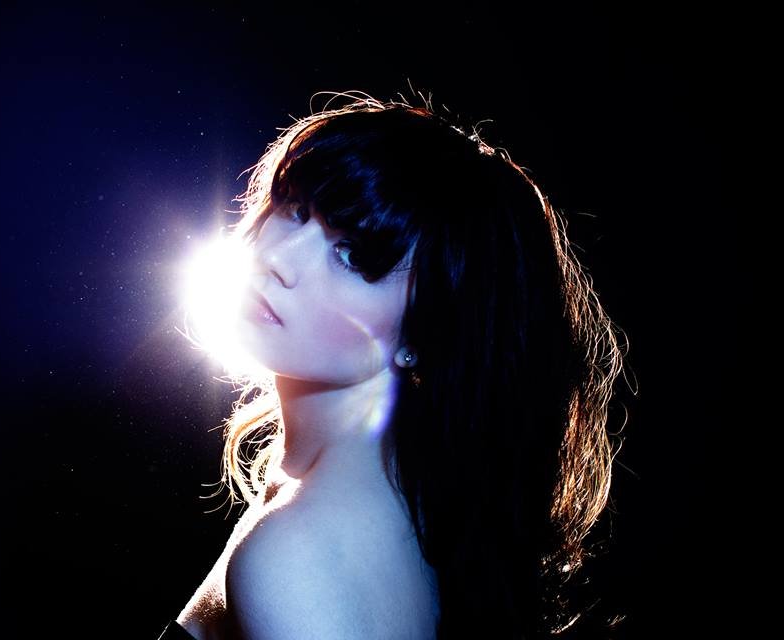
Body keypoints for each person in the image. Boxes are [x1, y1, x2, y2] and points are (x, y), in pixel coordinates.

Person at [161, 90, 631, 639]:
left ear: (424, 334)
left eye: (352, 255)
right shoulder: (377, 507)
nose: (278, 259)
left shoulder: (299, 555)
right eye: (294, 208)